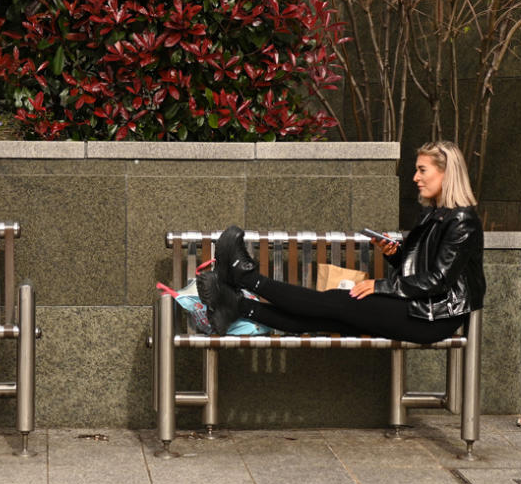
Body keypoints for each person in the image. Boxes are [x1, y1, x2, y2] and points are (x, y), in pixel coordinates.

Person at [198, 140, 485, 344]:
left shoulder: (462, 221)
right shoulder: (433, 214)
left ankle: (246, 278)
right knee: (329, 316)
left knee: (336, 302)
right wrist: (395, 255)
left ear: (446, 173)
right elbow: (419, 271)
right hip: (419, 305)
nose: (415, 177)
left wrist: (379, 285)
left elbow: (438, 280)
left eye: (423, 170)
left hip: (434, 317)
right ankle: (240, 306)